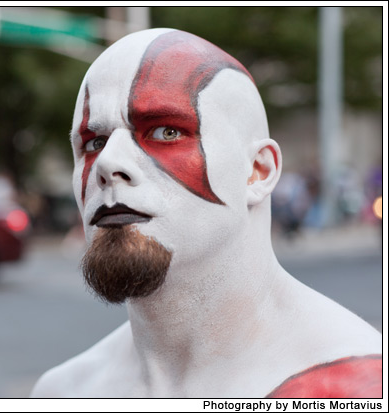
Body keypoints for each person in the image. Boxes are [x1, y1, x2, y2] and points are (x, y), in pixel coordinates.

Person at [30, 28, 381, 398]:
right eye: (94, 142)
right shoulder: (65, 392)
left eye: (166, 131)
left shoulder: (356, 388)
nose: (108, 162)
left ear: (258, 171)